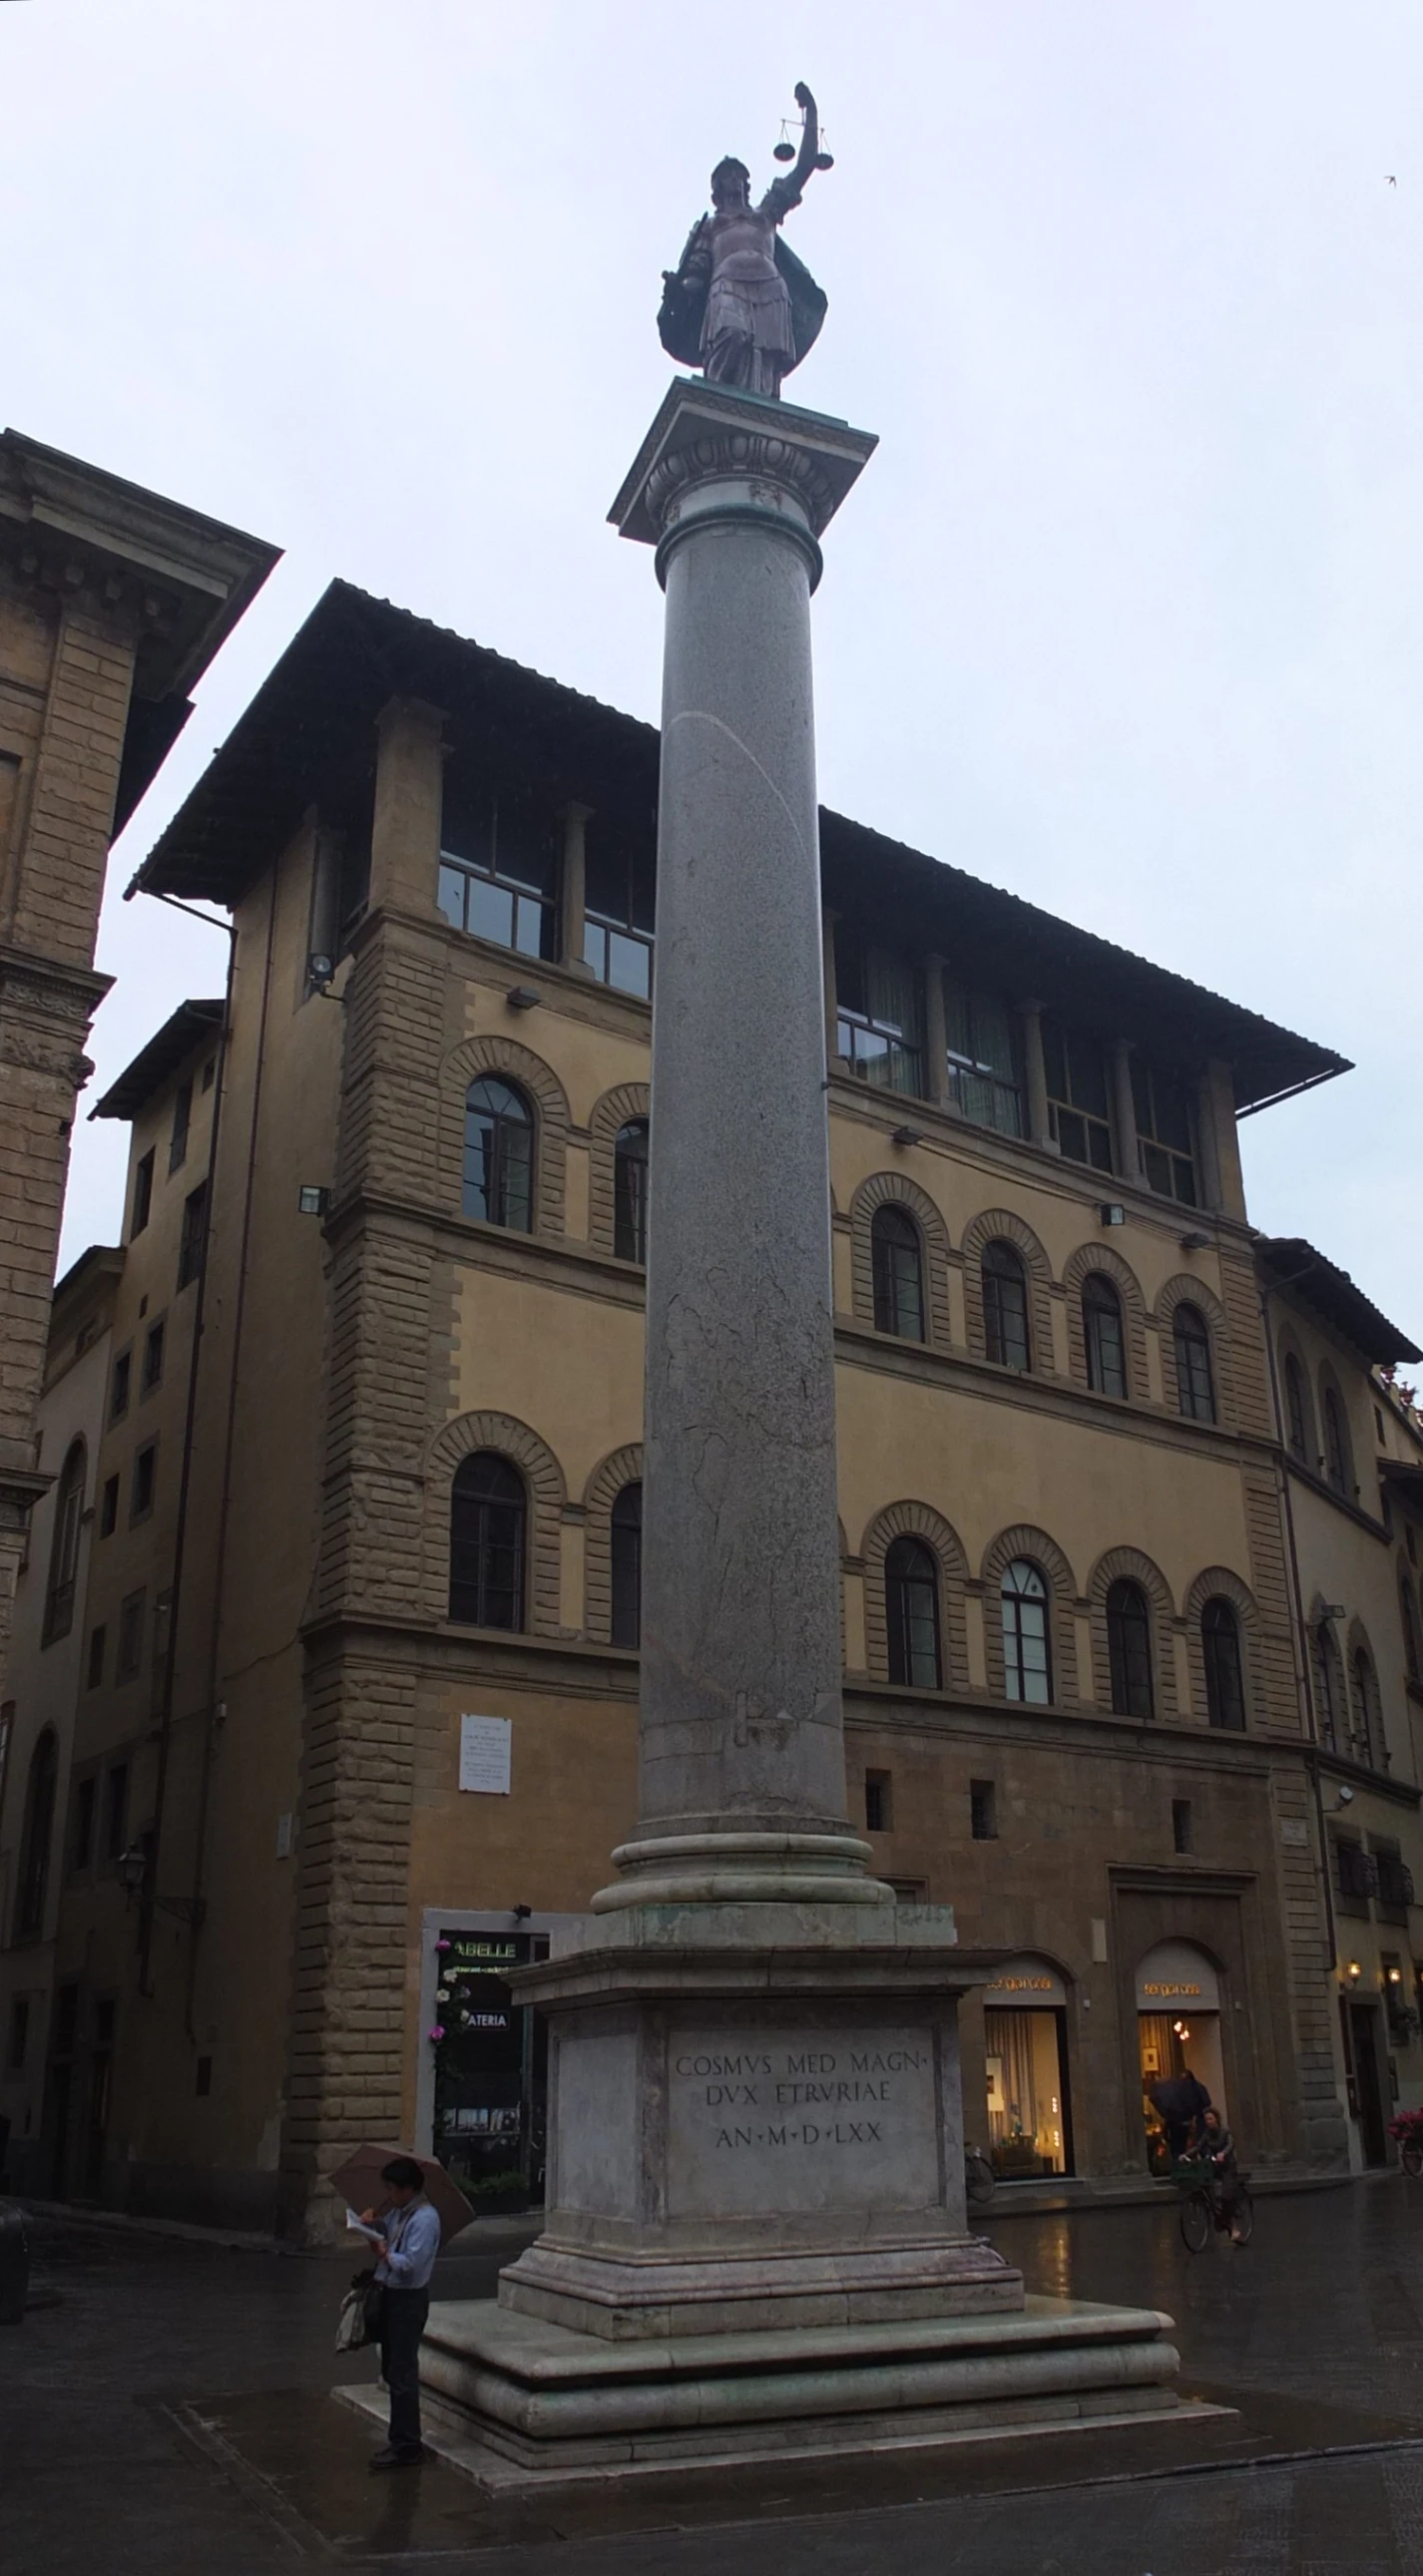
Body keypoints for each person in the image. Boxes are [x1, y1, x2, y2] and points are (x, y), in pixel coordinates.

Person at [659, 83, 828, 397]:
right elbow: (696, 275)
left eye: (739, 175)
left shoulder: (765, 214)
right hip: (727, 286)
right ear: (717, 188)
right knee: (731, 335)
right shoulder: (711, 227)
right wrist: (678, 293)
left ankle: (758, 411)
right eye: (727, 176)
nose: (734, 180)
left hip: (770, 289)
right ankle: (716, 405)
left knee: (764, 363)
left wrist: (811, 113)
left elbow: (804, 167)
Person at [361, 2156, 441, 2470]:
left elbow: (410, 2265)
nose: (389, 2195)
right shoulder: (398, 2212)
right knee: (393, 2368)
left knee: (404, 2373)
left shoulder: (425, 2219)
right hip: (390, 2296)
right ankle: (400, 2439)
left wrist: (383, 2252)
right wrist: (372, 2225)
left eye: (393, 2189)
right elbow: (391, 2233)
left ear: (410, 2189)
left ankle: (407, 2445)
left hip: (408, 2300)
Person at [1197, 2105, 1245, 2244]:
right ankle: (1216, 2214)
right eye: (1206, 2119)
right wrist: (1185, 2155)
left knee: (1226, 2196)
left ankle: (1234, 2227)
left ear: (1216, 2119)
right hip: (1216, 2166)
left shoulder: (1225, 2132)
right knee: (1206, 2185)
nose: (1208, 2121)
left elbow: (1230, 2144)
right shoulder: (1207, 2134)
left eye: (1210, 2118)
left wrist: (1223, 2153)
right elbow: (1199, 2146)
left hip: (1228, 2166)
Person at [1149, 2067, 1212, 2162]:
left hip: (1180, 2126)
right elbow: (1206, 2102)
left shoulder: (1173, 2092)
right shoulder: (1196, 2089)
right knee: (1193, 2148)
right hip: (1186, 2125)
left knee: (1181, 2151)